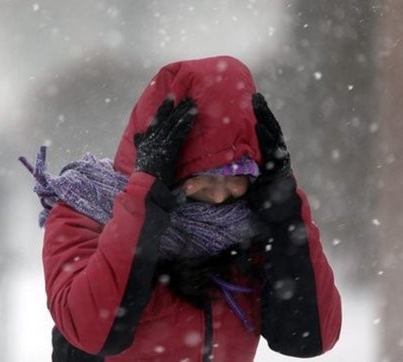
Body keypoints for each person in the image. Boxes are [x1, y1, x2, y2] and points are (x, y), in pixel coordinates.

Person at [20, 55, 341, 361]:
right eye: (201, 176)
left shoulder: (251, 227)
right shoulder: (86, 209)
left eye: (237, 176)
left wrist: (284, 209)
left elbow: (308, 337)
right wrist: (145, 202)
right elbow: (92, 331)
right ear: (168, 165)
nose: (218, 196)